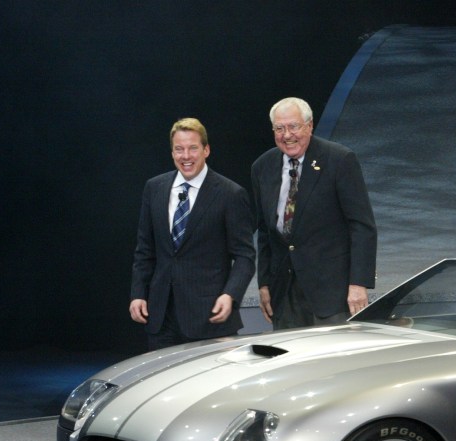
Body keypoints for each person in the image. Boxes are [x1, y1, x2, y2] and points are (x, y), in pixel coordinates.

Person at [129, 118, 256, 350]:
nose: (186, 156)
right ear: (172, 153)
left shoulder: (230, 194)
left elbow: (244, 256)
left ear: (206, 150)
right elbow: (144, 249)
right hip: (161, 318)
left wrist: (230, 294)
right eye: (179, 149)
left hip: (209, 317)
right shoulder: (154, 188)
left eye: (193, 148)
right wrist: (138, 293)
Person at [251, 97, 377, 329]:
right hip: (284, 294)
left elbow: (361, 226)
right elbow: (265, 232)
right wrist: (264, 283)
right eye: (279, 128)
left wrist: (358, 283)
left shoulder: (339, 160)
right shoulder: (262, 167)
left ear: (309, 126)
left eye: (293, 126)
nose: (287, 135)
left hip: (332, 294)